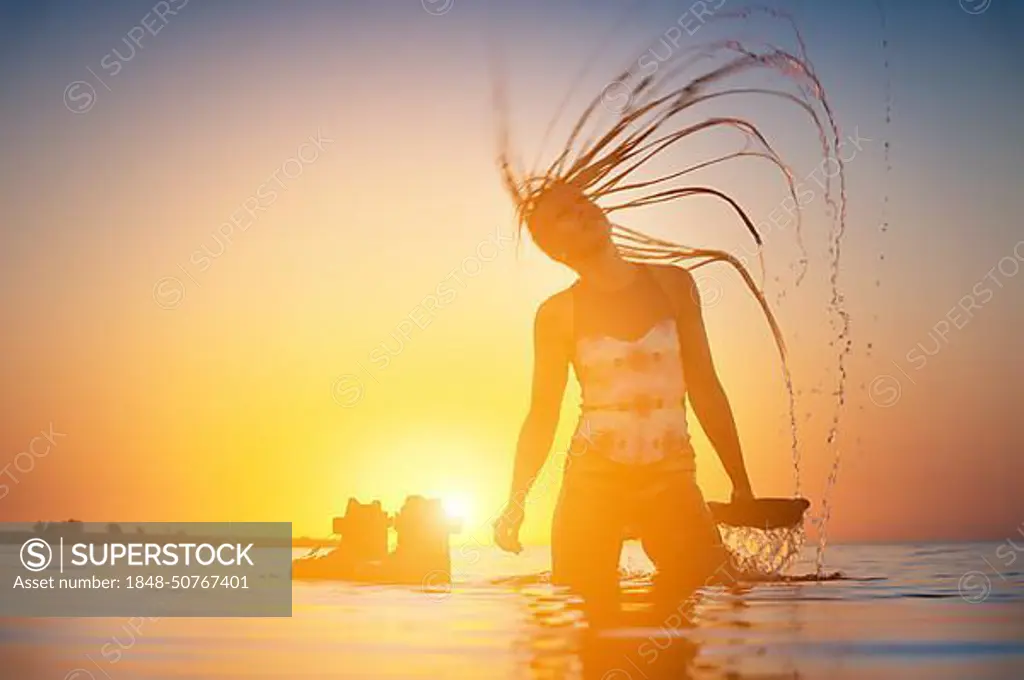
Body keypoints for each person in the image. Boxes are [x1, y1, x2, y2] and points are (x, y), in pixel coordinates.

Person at [486, 42, 821, 619]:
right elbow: (541, 415)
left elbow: (705, 387)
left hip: (672, 478)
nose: (583, 211)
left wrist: (741, 484)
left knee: (692, 614)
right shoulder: (556, 314)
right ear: (555, 248)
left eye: (581, 201)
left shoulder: (674, 285)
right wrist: (514, 503)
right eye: (563, 216)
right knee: (586, 616)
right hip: (592, 483)